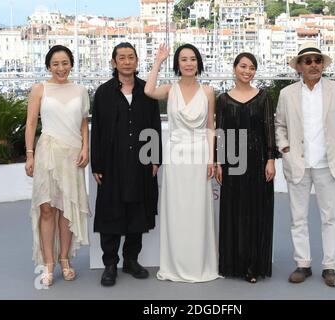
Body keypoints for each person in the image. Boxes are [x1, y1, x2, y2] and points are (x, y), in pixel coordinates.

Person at [275, 42, 335, 287]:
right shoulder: (287, 94)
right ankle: (303, 264)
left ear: (322, 64)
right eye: (307, 61)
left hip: (327, 164)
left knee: (329, 217)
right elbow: (280, 126)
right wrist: (285, 149)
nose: (313, 65)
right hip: (297, 163)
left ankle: (329, 267)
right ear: (299, 66)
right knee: (297, 217)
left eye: (317, 60)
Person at [144, 43, 220, 283]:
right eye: (184, 59)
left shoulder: (208, 91)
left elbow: (210, 127)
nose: (189, 63)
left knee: (197, 211)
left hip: (199, 155)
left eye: (193, 59)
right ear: (177, 64)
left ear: (198, 62)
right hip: (175, 156)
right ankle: (175, 264)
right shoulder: (169, 89)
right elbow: (147, 90)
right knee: (176, 210)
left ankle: (199, 264)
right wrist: (158, 60)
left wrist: (212, 159)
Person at [91, 42, 162, 287]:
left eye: (131, 57)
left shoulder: (147, 90)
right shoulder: (103, 93)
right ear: (114, 62)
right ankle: (109, 264)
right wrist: (96, 164)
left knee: (137, 213)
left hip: (141, 162)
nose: (127, 61)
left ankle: (131, 260)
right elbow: (97, 130)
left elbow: (154, 124)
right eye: (121, 57)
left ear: (137, 61)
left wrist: (155, 158)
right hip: (111, 163)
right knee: (111, 213)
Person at [25, 45, 90, 286]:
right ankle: (48, 265)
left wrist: (86, 148)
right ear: (48, 66)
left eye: (65, 63)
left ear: (71, 64)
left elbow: (84, 123)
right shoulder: (39, 89)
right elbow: (31, 123)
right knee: (46, 209)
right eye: (55, 64)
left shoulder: (81, 90)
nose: (60, 68)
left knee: (66, 211)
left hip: (72, 154)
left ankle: (65, 259)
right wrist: (30, 154)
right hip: (47, 152)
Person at [215, 52, 277, 284]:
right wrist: (218, 162)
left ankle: (253, 265)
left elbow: (269, 129)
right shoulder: (223, 99)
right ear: (234, 68)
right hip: (232, 162)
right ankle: (233, 263)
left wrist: (271, 159)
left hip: (258, 160)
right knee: (234, 211)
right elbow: (219, 132)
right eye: (243, 66)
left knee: (255, 211)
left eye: (252, 67)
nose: (247, 71)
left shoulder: (264, 98)